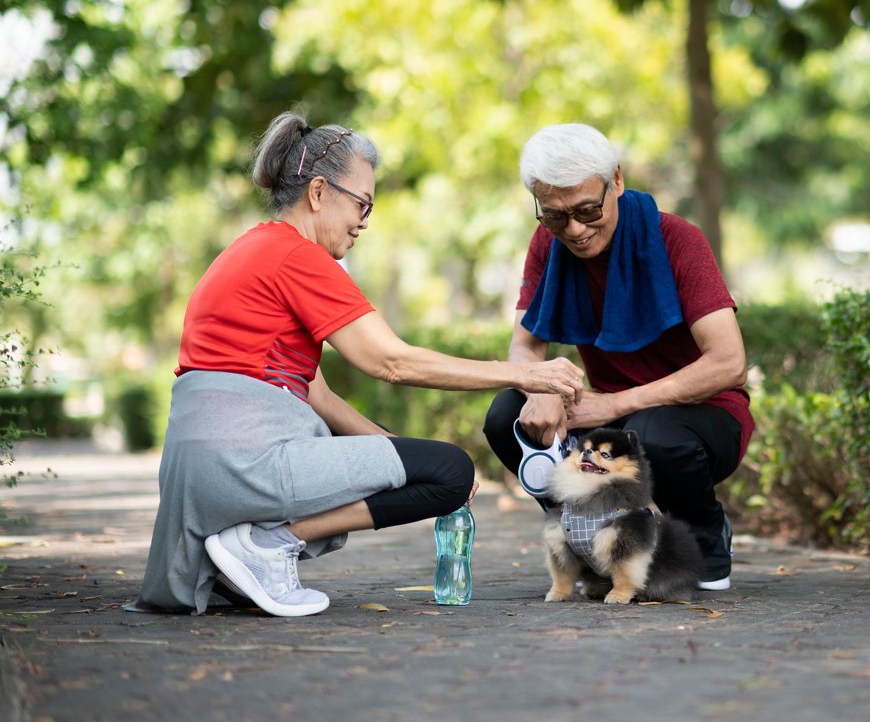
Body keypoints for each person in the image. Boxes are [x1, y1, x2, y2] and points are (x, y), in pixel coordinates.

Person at [128, 112, 583, 617]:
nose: (364, 221)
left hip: (204, 469)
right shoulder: (298, 257)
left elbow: (316, 396)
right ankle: (268, 542)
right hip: (243, 462)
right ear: (319, 192)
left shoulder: (253, 249)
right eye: (361, 204)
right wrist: (525, 373)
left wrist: (402, 459)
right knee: (451, 470)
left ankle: (244, 559)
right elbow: (389, 361)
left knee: (423, 464)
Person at [482, 123, 753, 590]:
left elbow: (728, 362)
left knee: (650, 435)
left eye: (588, 210)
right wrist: (538, 387)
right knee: (508, 414)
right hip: (611, 415)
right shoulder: (549, 244)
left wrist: (613, 403)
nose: (575, 230)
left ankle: (706, 536)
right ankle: (586, 538)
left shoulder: (677, 240)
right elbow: (525, 346)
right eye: (554, 216)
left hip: (700, 416)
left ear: (618, 181)